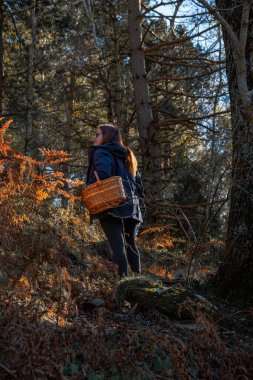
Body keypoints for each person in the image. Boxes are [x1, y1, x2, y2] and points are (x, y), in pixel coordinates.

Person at [86, 124, 145, 278]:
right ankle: (138, 282)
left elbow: (103, 174)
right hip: (132, 206)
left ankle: (123, 283)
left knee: (118, 246)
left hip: (110, 202)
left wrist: (92, 185)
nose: (94, 137)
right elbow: (139, 185)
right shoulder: (128, 155)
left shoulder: (102, 151)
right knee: (130, 244)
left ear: (105, 136)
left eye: (97, 134)